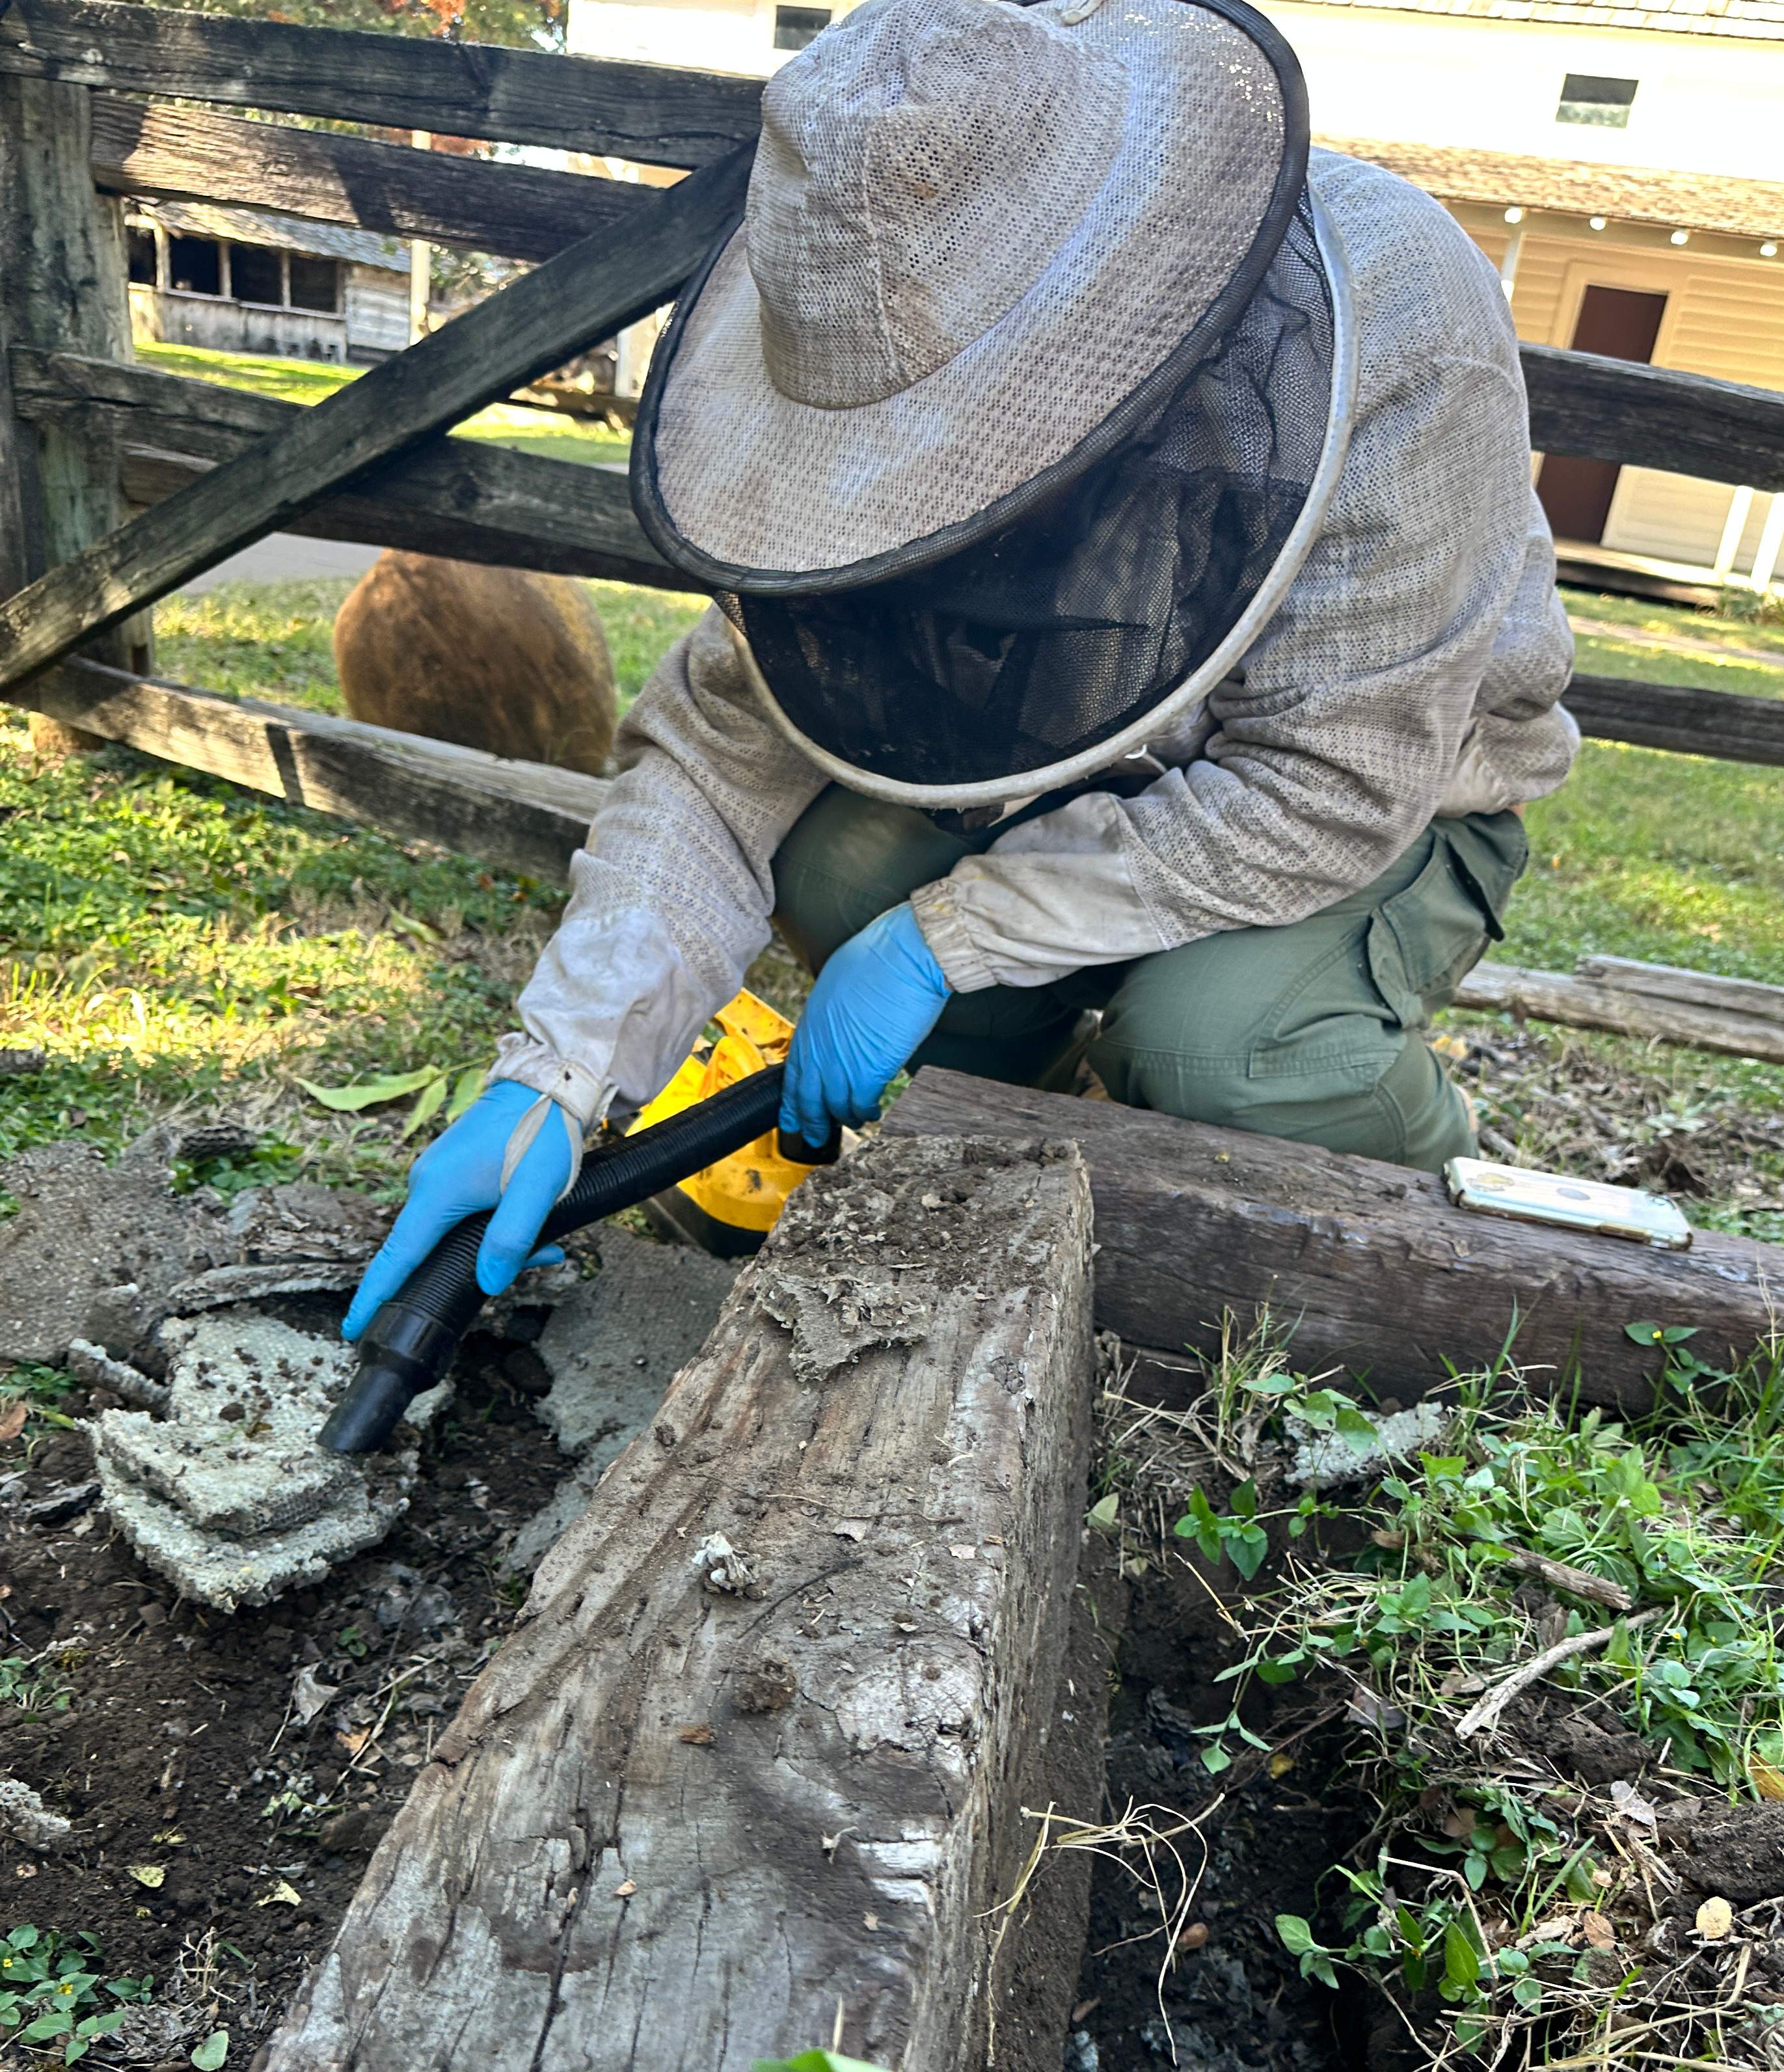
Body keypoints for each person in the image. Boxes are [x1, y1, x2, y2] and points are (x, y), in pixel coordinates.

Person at [344, 0, 1575, 1343]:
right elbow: (713, 755)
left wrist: (956, 937)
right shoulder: (885, 289)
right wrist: (559, 1075)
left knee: (1212, 1045)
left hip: (1383, 812)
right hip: (1046, 773)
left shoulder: (1403, 308)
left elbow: (1334, 786)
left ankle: (1426, 1178)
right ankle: (1014, 1142)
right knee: (835, 865)